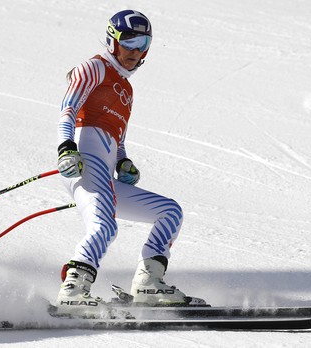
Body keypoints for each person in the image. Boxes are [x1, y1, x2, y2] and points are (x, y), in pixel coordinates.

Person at [54, 9, 204, 317]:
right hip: (83, 162)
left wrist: (123, 163)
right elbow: (68, 108)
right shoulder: (94, 67)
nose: (135, 51)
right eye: (129, 41)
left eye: (143, 42)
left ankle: (149, 283)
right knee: (104, 225)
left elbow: (117, 139)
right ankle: (73, 289)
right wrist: (66, 148)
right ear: (113, 41)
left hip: (104, 174)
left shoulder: (126, 89)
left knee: (169, 212)